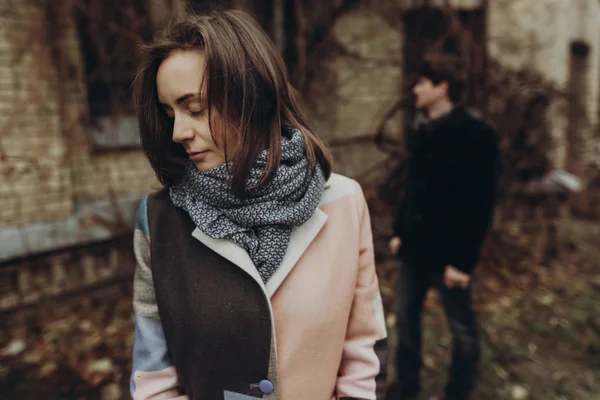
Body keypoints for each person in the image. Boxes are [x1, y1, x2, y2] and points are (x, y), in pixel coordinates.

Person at [129, 10, 387, 400]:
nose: (179, 132)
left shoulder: (344, 203)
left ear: (250, 96)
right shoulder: (159, 221)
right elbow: (154, 382)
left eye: (194, 109)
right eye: (170, 114)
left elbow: (364, 353)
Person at [387, 56, 500, 400]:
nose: (415, 89)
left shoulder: (476, 135)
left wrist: (463, 263)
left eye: (422, 82)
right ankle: (406, 389)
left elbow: (480, 203)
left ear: (442, 87)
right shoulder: (423, 130)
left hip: (450, 255)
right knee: (405, 321)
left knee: (462, 330)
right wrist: (400, 231)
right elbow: (415, 189)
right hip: (415, 248)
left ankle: (458, 392)